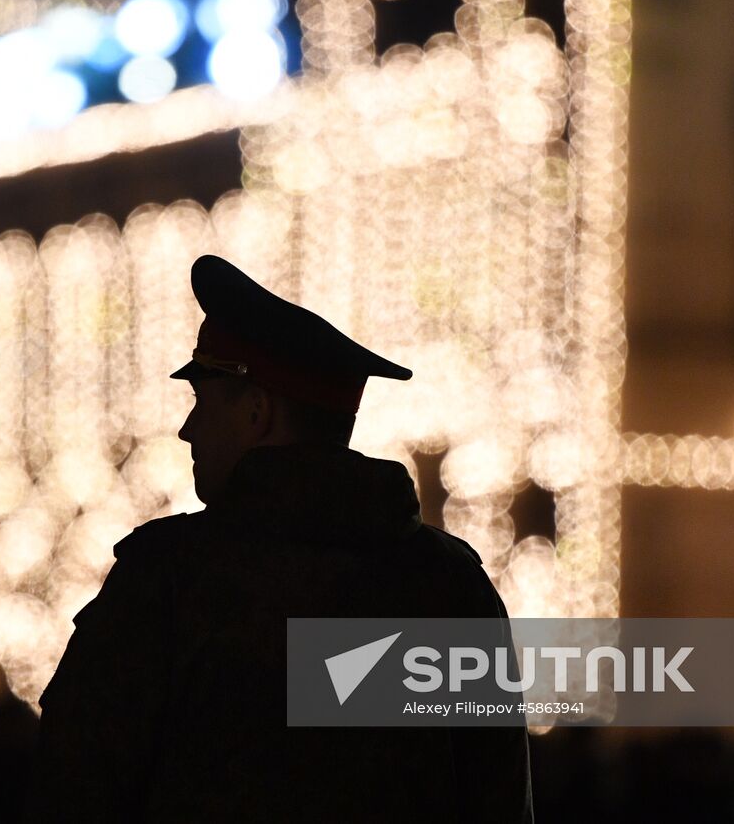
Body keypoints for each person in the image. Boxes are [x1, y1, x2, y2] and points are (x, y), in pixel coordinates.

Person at [29, 255, 533, 822]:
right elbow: (497, 799)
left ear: (256, 412)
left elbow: (72, 790)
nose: (187, 429)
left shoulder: (170, 579)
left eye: (202, 402)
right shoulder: (450, 587)